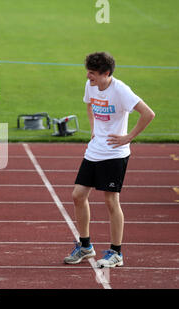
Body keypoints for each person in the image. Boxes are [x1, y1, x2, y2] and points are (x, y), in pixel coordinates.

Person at [64, 52, 155, 268]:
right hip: (95, 149)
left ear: (106, 73)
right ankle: (85, 247)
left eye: (93, 73)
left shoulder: (121, 90)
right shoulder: (91, 85)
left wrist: (128, 137)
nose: (88, 76)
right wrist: (94, 129)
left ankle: (116, 253)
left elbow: (148, 114)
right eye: (88, 72)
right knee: (78, 195)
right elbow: (89, 105)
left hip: (115, 153)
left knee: (111, 201)